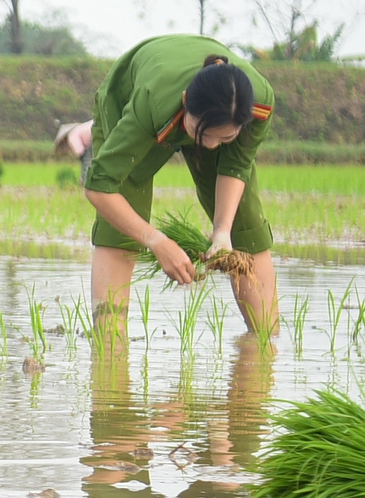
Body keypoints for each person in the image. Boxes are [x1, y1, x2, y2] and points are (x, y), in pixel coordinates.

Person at [77, 36, 277, 333]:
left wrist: (222, 231)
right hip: (133, 101)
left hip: (208, 113)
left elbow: (235, 166)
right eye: (203, 134)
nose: (209, 147)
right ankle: (109, 344)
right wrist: (157, 242)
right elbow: (99, 186)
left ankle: (266, 342)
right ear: (185, 101)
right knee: (120, 226)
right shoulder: (151, 102)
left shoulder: (256, 104)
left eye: (224, 138)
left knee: (246, 226)